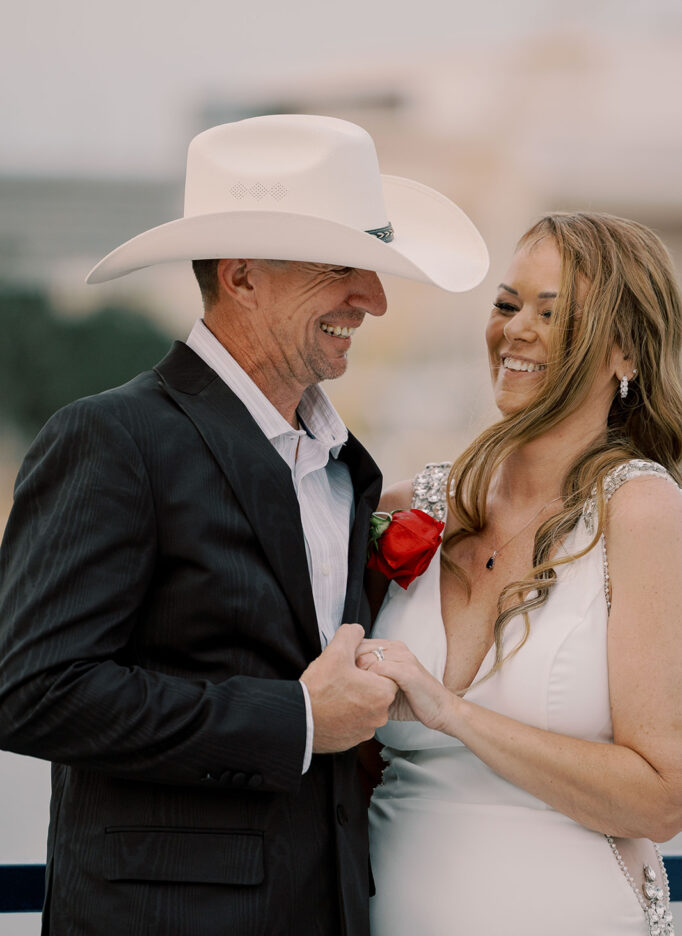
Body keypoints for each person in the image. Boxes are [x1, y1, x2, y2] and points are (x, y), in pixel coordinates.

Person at [0, 114, 488, 936]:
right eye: (343, 268)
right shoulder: (112, 438)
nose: (373, 299)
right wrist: (296, 720)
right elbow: (29, 691)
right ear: (243, 277)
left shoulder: (346, 469)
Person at [358, 211, 682, 935]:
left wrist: (453, 714)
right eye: (507, 305)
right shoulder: (407, 511)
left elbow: (661, 799)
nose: (517, 330)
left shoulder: (640, 512)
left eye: (553, 313)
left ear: (625, 353)